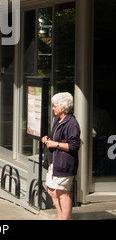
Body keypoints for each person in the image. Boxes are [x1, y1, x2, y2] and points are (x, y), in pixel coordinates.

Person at [42, 92, 81, 220]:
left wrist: (55, 144)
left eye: (55, 106)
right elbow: (55, 137)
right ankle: (60, 216)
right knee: (52, 191)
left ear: (63, 107)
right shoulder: (57, 120)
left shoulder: (71, 124)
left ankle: (66, 218)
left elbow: (74, 146)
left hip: (64, 163)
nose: (53, 108)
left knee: (62, 193)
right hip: (54, 162)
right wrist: (47, 139)